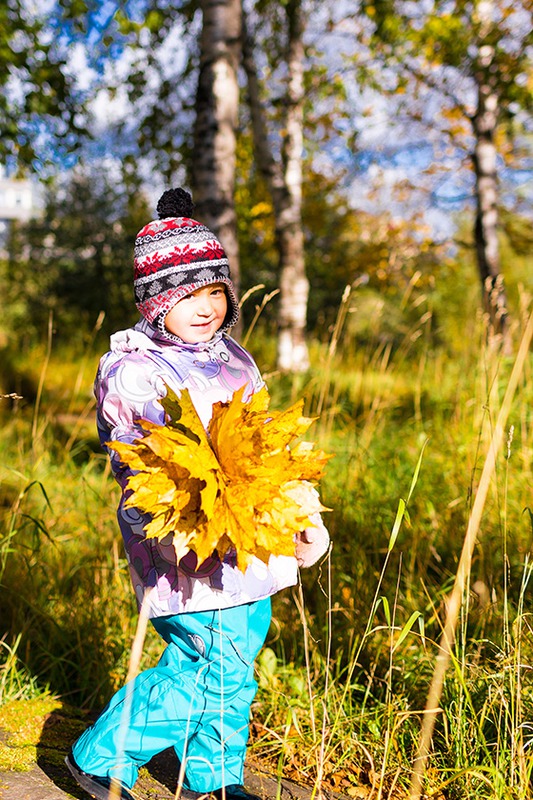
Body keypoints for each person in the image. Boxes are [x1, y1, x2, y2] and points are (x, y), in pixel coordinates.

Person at [65, 188, 330, 800]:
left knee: (236, 664)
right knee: (212, 663)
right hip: (185, 535)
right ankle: (102, 755)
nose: (206, 306)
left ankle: (211, 775)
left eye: (215, 290)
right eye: (187, 294)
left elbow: (261, 440)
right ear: (156, 303)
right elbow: (147, 459)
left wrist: (296, 509)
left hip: (252, 536)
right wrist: (202, 500)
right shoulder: (136, 369)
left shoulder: (234, 358)